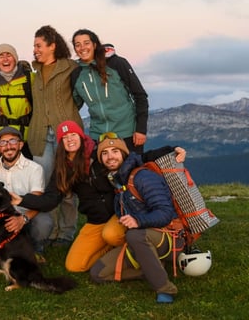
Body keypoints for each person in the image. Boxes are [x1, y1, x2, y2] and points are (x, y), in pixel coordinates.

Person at [16, 121, 187, 273]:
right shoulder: (63, 169)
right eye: (65, 137)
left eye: (73, 134)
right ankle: (116, 253)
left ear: (81, 136)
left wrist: (171, 150)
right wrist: (21, 200)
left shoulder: (99, 154)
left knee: (111, 235)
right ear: (61, 143)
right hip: (95, 221)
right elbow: (50, 200)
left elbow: (136, 158)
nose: (70, 139)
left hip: (118, 215)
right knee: (74, 266)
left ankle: (140, 253)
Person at [89, 136, 183, 304]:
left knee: (134, 235)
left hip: (168, 236)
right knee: (98, 273)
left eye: (115, 151)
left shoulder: (143, 177)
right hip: (141, 239)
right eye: (104, 153)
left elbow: (165, 213)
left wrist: (138, 221)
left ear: (124, 154)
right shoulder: (118, 181)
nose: (110, 157)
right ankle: (151, 267)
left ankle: (165, 288)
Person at [29, 25, 83, 245]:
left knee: (67, 185)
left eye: (38, 45)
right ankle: (49, 230)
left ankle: (66, 233)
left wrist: (66, 113)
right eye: (34, 46)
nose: (35, 50)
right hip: (40, 134)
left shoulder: (71, 67)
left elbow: (79, 96)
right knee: (43, 184)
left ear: (52, 46)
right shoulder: (34, 72)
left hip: (66, 134)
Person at [71, 29, 149, 155]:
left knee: (131, 167)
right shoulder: (76, 73)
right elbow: (73, 105)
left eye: (86, 43)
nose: (82, 48)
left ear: (94, 45)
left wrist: (141, 129)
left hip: (127, 133)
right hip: (98, 135)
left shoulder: (116, 63)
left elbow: (140, 95)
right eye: (77, 45)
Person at [0, 126, 52, 263]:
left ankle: (36, 247)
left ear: (21, 145)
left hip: (26, 216)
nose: (8, 146)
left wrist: (22, 219)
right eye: (3, 143)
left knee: (44, 222)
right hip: (0, 217)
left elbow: (37, 200)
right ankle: (2, 249)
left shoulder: (34, 169)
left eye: (13, 141)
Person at [0, 43, 34, 159]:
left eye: (9, 55)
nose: (5, 59)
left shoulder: (30, 78)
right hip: (2, 135)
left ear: (15, 59)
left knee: (28, 169)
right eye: (1, 56)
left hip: (27, 136)